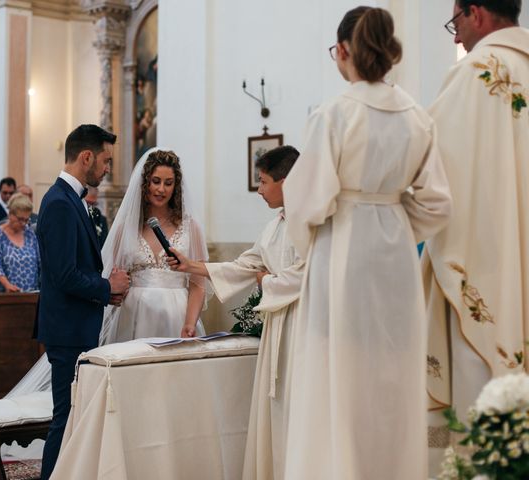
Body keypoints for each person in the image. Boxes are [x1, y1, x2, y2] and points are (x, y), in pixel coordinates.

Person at [281, 7, 452, 479]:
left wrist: (325, 234)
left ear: (343, 51)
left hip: (342, 251)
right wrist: (395, 226)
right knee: (391, 377)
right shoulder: (418, 116)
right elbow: (438, 203)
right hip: (395, 260)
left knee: (336, 375)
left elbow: (306, 201)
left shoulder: (334, 113)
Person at [424, 0, 529, 469]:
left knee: (486, 436)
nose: (455, 37)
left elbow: (431, 177)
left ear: (478, 13)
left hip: (485, 271)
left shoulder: (476, 73)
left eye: (457, 21)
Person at [168, 145, 303, 479]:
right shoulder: (275, 226)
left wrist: (268, 281)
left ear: (285, 182)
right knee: (278, 406)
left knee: (300, 404)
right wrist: (192, 266)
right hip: (277, 325)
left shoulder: (311, 222)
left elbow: (308, 274)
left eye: (263, 181)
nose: (258, 190)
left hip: (302, 326)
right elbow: (245, 265)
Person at [35, 124, 130, 480]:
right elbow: (63, 274)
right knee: (65, 417)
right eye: (106, 160)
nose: (108, 169)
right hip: (67, 329)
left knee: (74, 415)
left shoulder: (70, 198)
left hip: (75, 325)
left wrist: (109, 290)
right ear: (87, 156)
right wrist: (107, 287)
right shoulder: (60, 202)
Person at [99, 148, 210, 345]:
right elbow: (115, 276)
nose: (161, 189)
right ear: (145, 183)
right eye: (156, 181)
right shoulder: (126, 228)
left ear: (176, 186)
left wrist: (190, 323)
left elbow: (198, 285)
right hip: (134, 315)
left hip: (178, 316)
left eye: (169, 183)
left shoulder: (190, 227)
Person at [0, 193, 40, 292]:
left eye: (26, 219)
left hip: (31, 294)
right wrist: (7, 285)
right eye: (20, 219)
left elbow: (39, 262)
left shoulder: (30, 234)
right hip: (5, 294)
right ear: (10, 214)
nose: (23, 223)